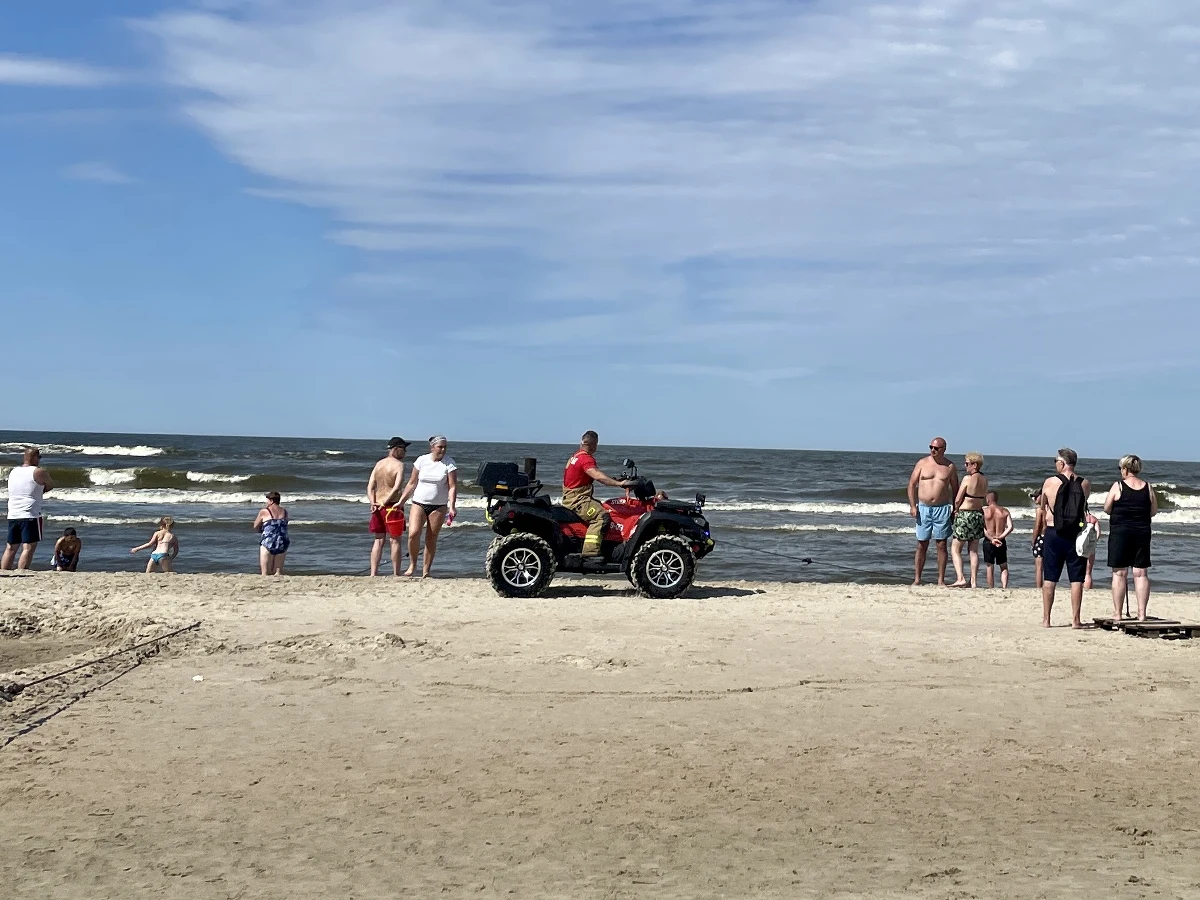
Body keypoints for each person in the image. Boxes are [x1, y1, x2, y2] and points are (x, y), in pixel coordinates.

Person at [1038, 448, 1097, 628]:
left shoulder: (1050, 482)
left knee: (1050, 578)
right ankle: (1075, 620)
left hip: (1053, 532)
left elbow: (1043, 506)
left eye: (1056, 461)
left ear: (1062, 463)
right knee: (1076, 578)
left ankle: (1047, 619)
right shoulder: (1084, 483)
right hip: (1075, 533)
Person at [562, 431, 635, 557]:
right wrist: (619, 484)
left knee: (604, 506)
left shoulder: (575, 456)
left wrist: (615, 480)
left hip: (573, 498)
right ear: (594, 444)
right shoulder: (586, 458)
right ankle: (590, 554)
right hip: (578, 500)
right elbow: (597, 476)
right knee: (601, 516)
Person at [1104, 454, 1157, 622]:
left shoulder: (1118, 486)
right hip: (1141, 532)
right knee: (1140, 573)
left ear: (1125, 469)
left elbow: (1106, 508)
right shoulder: (1147, 487)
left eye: (1121, 469)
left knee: (1119, 572)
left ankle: (1118, 614)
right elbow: (1153, 511)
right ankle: (1141, 614)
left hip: (1120, 532)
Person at [398, 436, 458, 578]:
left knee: (431, 538)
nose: (443, 449)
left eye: (445, 447)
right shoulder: (421, 460)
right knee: (413, 533)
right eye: (440, 447)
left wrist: (452, 506)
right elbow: (412, 483)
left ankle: (426, 570)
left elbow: (452, 486)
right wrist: (401, 501)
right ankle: (412, 565)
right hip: (419, 502)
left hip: (438, 506)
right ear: (432, 447)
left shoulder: (449, 463)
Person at [906, 437, 959, 586]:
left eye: (936, 448)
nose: (933, 450)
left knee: (941, 544)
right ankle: (917, 578)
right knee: (922, 543)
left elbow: (956, 489)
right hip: (924, 508)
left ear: (943, 449)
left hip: (942, 508)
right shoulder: (922, 463)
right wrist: (912, 506)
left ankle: (941, 580)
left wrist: (955, 509)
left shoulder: (950, 467)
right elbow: (911, 484)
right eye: (931, 447)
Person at [3, 447, 54, 571]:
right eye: (39, 457)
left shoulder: (14, 471)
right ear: (35, 457)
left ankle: (4, 570)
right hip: (30, 514)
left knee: (11, 547)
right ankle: (22, 571)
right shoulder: (38, 471)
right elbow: (50, 485)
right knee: (28, 547)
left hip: (13, 513)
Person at [367, 437, 411, 577]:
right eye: (403, 449)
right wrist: (385, 502)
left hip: (377, 506)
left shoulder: (379, 464)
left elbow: (370, 486)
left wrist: (373, 502)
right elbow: (397, 487)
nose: (405, 452)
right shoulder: (399, 465)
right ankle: (396, 573)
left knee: (379, 539)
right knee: (395, 540)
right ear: (396, 449)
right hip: (392, 506)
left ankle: (373, 573)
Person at [950, 452, 989, 588]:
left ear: (974, 465)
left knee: (955, 548)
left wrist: (955, 510)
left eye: (967, 463)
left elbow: (958, 499)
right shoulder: (984, 480)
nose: (965, 466)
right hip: (978, 515)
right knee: (973, 550)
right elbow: (984, 497)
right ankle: (973, 581)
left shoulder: (967, 479)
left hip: (965, 514)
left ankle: (960, 577)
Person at [982, 490, 1013, 588]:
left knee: (989, 566)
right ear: (996, 499)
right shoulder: (1004, 511)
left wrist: (991, 539)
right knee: (1003, 566)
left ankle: (991, 587)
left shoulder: (984, 511)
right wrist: (1000, 537)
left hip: (989, 540)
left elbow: (982, 528)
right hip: (1001, 541)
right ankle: (1004, 587)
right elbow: (1010, 527)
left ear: (988, 499)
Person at [254, 491, 290, 576]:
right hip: (282, 540)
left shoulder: (264, 511)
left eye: (267, 500)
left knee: (265, 573)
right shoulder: (284, 512)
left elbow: (255, 525)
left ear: (271, 501)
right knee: (278, 572)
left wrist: (261, 530)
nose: (266, 502)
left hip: (268, 540)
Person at [1030, 489, 1046, 588]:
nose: (1035, 499)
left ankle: (1039, 587)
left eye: (1036, 496)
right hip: (1050, 537)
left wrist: (1033, 539)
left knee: (1039, 567)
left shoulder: (1040, 509)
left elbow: (1037, 526)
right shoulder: (1051, 508)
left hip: (1041, 537)